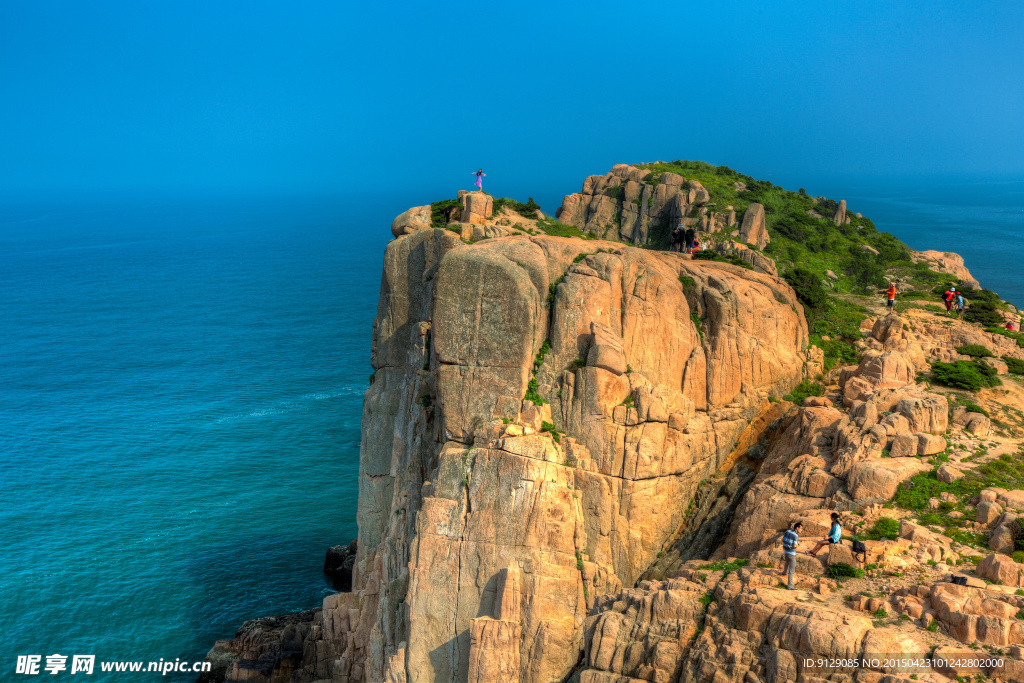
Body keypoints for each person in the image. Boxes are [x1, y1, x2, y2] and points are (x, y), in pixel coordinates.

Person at [782, 521, 802, 590]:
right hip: (791, 553)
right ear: (797, 528)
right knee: (791, 571)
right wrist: (797, 545)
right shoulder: (796, 535)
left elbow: (783, 539)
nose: (801, 530)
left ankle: (784, 572)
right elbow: (794, 546)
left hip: (786, 551)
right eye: (800, 528)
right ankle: (790, 586)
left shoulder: (788, 531)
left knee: (787, 562)